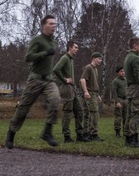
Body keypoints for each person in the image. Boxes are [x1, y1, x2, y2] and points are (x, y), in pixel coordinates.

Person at [5, 15, 61, 149]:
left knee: (55, 100)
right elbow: (28, 57)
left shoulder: (53, 42)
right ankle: (11, 132)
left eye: (55, 24)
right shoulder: (37, 40)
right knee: (23, 108)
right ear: (43, 26)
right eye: (51, 24)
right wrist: (45, 53)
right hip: (35, 79)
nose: (54, 26)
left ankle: (47, 132)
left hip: (48, 79)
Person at [53, 41, 88, 143]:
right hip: (66, 88)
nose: (77, 49)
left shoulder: (71, 60)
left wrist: (73, 84)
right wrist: (64, 80)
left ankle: (79, 135)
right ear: (70, 48)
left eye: (77, 48)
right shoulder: (65, 58)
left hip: (71, 88)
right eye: (75, 47)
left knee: (79, 111)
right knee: (67, 112)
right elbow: (56, 69)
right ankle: (67, 137)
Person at [123, 37, 139, 148]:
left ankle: (128, 138)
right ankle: (134, 139)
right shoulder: (135, 58)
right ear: (135, 46)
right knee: (136, 114)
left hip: (130, 89)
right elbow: (138, 76)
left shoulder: (128, 57)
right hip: (136, 89)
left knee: (129, 114)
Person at [80, 52, 104, 141]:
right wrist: (86, 92)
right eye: (99, 59)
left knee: (87, 113)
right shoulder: (89, 67)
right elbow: (82, 80)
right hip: (89, 94)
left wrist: (98, 95)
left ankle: (86, 133)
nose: (100, 61)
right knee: (94, 113)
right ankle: (93, 134)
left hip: (94, 94)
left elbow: (94, 83)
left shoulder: (96, 69)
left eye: (101, 59)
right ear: (94, 58)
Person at [111, 66, 127, 137]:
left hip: (126, 99)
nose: (123, 72)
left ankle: (126, 131)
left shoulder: (126, 80)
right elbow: (114, 92)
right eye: (121, 71)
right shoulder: (115, 81)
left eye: (123, 71)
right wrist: (117, 102)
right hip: (119, 99)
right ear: (117, 73)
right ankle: (117, 131)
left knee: (126, 117)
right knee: (118, 117)